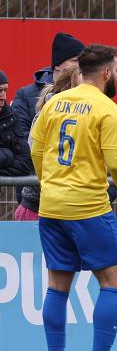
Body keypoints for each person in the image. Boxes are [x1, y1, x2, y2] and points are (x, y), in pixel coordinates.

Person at [30, 44, 117, 351]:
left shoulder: (54, 102)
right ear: (107, 72)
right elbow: (116, 162)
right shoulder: (107, 108)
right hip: (88, 207)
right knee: (113, 281)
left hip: (51, 207)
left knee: (57, 285)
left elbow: (36, 148)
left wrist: (48, 182)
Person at [14, 67, 83, 221]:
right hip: (39, 204)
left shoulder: (46, 113)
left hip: (61, 203)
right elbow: (34, 153)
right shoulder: (47, 115)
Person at [12, 32, 83, 139]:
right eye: (75, 60)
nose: (81, 65)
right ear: (58, 64)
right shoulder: (25, 95)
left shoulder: (88, 92)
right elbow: (19, 137)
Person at [0, 69, 32, 178]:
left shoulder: (10, 116)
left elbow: (25, 164)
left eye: (5, 90)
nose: (3, 97)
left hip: (6, 187)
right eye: (0, 91)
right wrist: (8, 155)